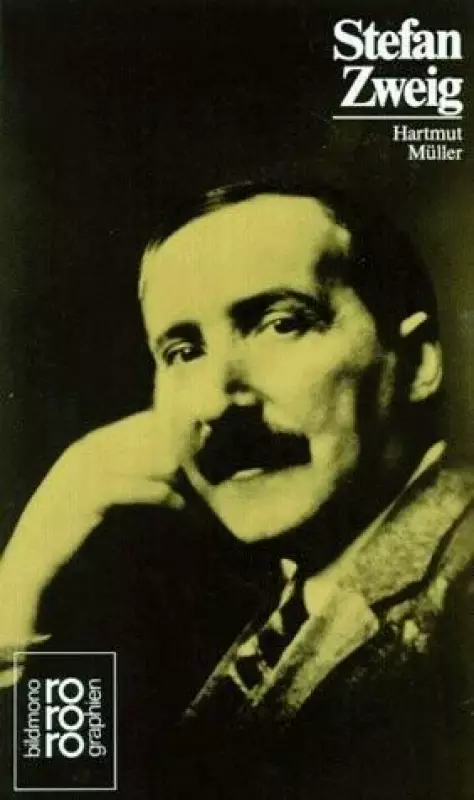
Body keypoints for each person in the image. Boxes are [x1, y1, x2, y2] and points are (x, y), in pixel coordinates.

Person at [1, 180, 473, 799]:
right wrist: (22, 587)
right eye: (183, 350)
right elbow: (62, 788)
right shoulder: (275, 599)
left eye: (281, 324)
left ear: (416, 363)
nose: (217, 399)